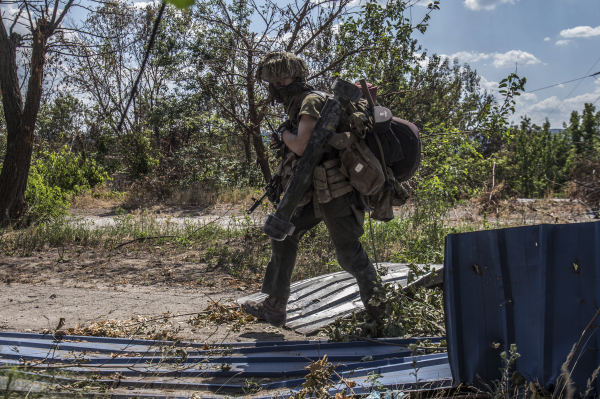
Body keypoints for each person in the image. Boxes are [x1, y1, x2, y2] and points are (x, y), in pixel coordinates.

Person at [243, 52, 382, 327]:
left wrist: (283, 133)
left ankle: (380, 315)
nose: (272, 90)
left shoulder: (310, 101)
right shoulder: (300, 103)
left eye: (274, 83)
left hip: (336, 190)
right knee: (283, 235)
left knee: (349, 253)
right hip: (314, 190)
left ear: (281, 80)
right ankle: (274, 306)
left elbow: (302, 145)